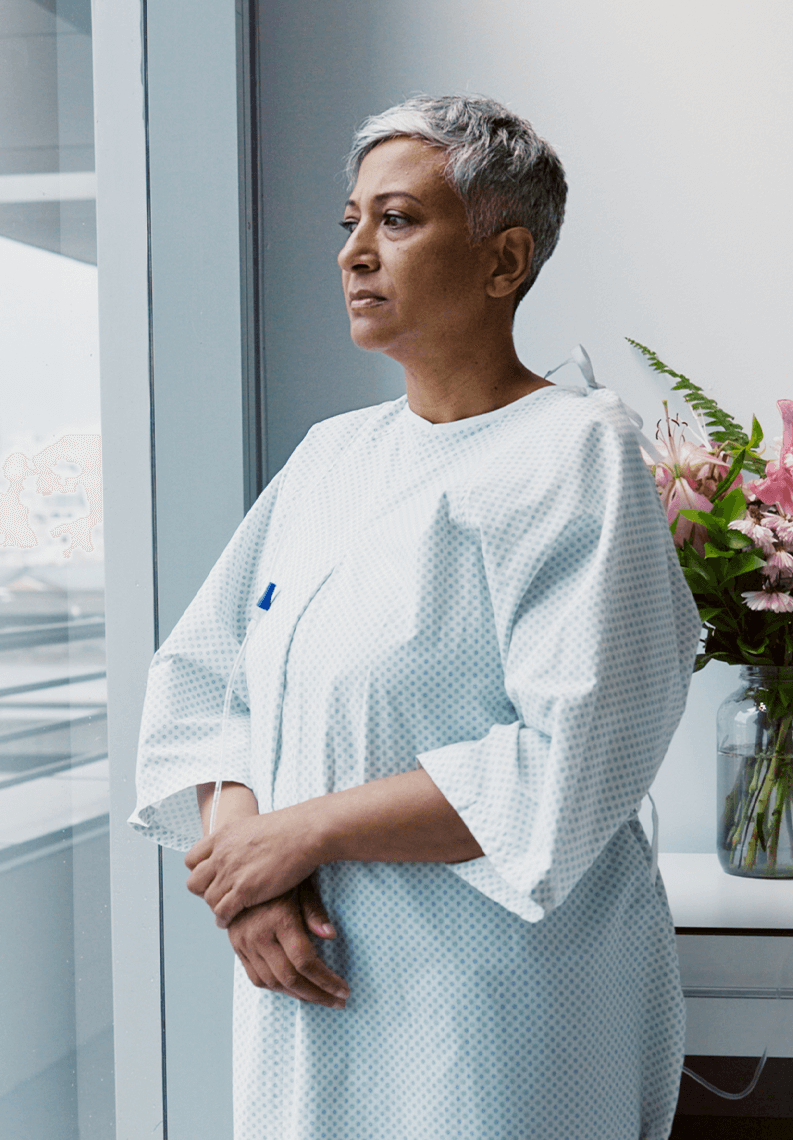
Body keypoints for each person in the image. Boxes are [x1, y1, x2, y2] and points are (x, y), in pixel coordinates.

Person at [130, 94, 700, 1139]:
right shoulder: (329, 459)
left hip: (497, 1005)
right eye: (348, 222)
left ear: (503, 260)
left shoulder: (576, 452)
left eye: (396, 221)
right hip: (310, 977)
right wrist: (246, 868)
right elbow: (207, 683)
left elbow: (567, 760)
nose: (355, 252)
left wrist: (297, 834)